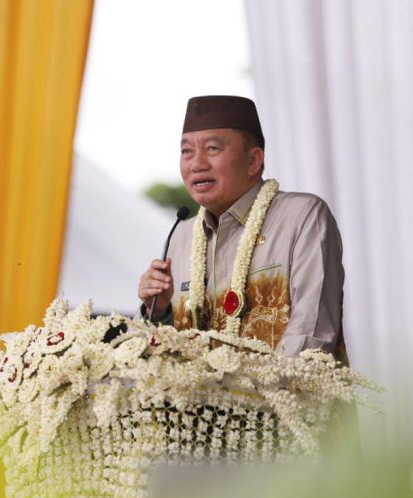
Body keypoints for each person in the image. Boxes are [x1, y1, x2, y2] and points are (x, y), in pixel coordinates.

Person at [137, 95, 347, 364]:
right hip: (198, 393)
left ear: (254, 161)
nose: (196, 163)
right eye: (186, 151)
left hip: (286, 389)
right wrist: (158, 311)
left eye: (212, 148)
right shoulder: (181, 236)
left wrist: (245, 389)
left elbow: (312, 335)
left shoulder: (302, 216)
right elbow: (161, 357)